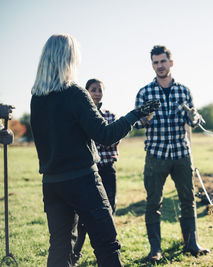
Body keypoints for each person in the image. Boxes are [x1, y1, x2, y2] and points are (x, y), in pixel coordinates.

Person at [30, 34, 160, 267]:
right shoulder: (75, 94)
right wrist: (136, 114)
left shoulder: (37, 98)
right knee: (106, 243)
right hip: (82, 181)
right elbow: (106, 136)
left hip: (52, 184)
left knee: (60, 247)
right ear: (68, 58)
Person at [135, 45, 209, 263]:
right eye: (155, 62)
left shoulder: (184, 91)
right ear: (152, 65)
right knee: (153, 202)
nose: (160, 66)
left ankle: (191, 244)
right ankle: (155, 250)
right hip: (156, 155)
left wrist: (194, 116)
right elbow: (137, 122)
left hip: (181, 154)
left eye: (163, 61)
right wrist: (145, 118)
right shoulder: (144, 92)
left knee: (188, 199)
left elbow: (193, 122)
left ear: (171, 63)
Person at [71, 78, 120, 265]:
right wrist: (102, 135)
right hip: (88, 171)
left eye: (100, 89)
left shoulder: (110, 115)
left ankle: (108, 251)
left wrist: (100, 136)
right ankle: (75, 253)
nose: (97, 93)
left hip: (107, 169)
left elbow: (111, 140)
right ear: (86, 92)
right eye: (93, 89)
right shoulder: (80, 114)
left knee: (109, 210)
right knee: (84, 216)